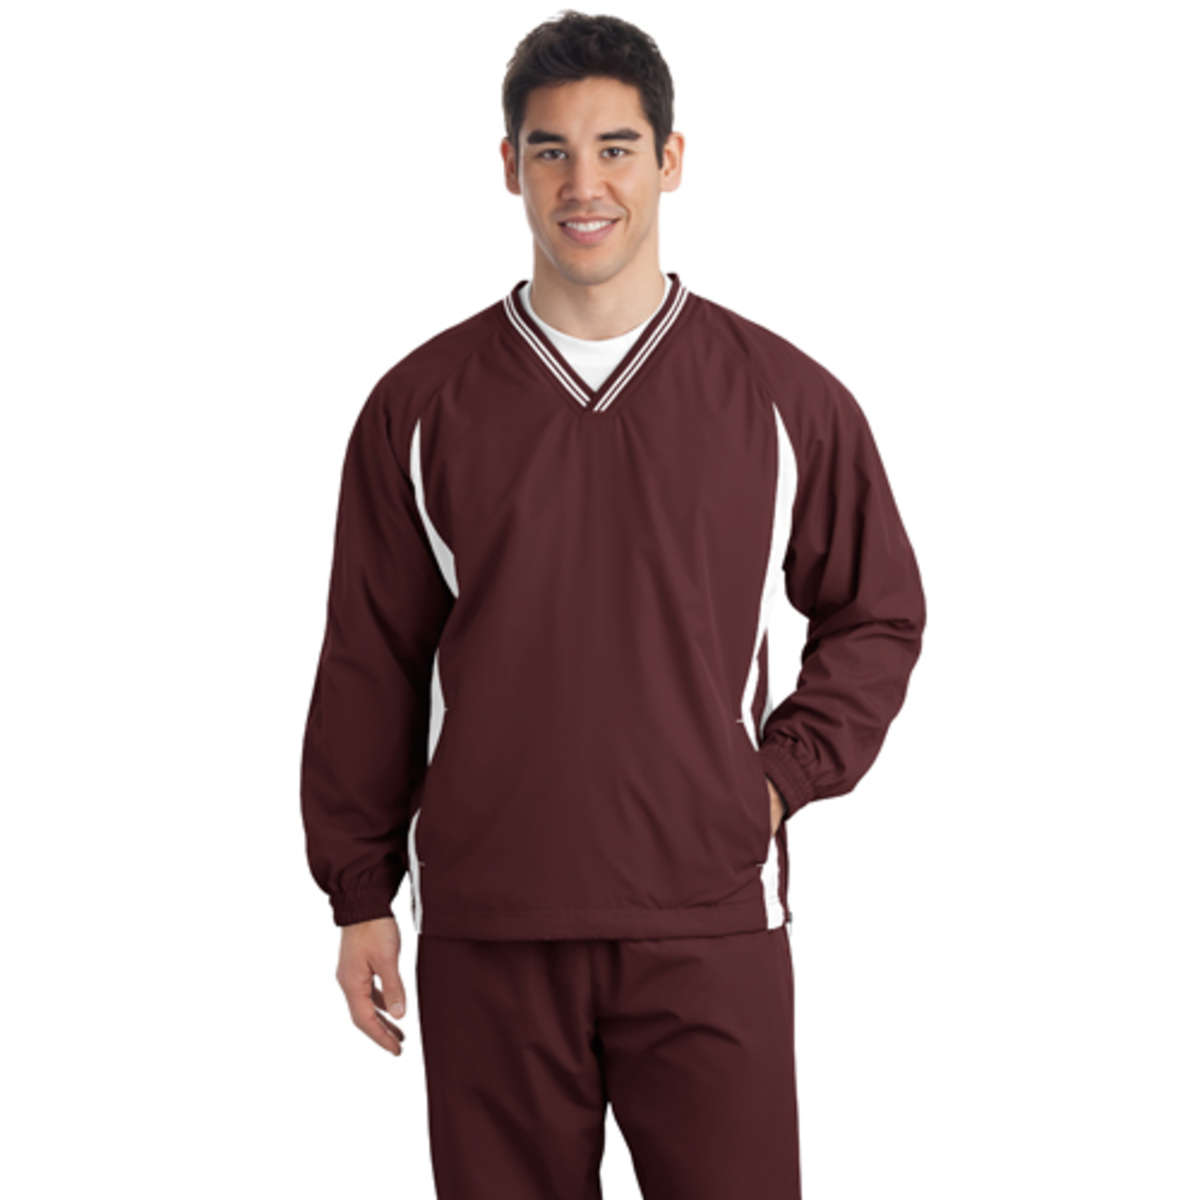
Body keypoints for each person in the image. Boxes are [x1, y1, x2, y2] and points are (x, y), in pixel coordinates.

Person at [300, 11, 925, 1198]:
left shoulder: (783, 398)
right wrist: (359, 892)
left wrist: (773, 781)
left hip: (708, 917)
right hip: (491, 921)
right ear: (509, 167)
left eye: (616, 149)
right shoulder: (420, 405)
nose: (583, 185)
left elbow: (877, 611)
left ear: (670, 160)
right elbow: (370, 658)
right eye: (551, 151)